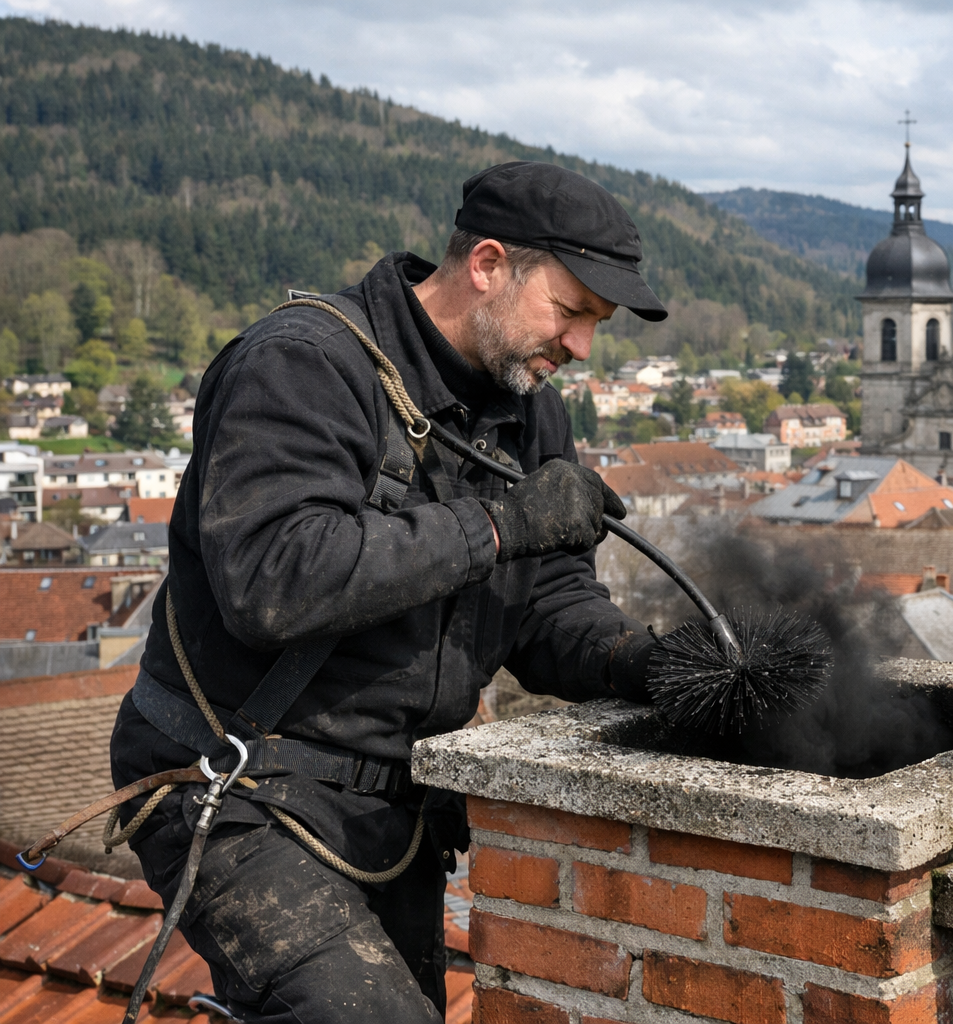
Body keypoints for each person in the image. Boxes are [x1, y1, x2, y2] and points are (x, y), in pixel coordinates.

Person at [109, 161, 667, 1023]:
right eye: (571, 312)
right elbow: (273, 579)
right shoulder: (302, 365)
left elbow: (549, 605)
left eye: (597, 324)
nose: (583, 346)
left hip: (396, 813)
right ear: (488, 264)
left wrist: (644, 662)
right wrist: (499, 525)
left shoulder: (530, 412)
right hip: (236, 792)